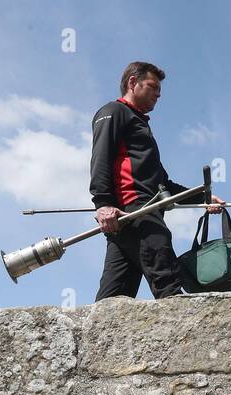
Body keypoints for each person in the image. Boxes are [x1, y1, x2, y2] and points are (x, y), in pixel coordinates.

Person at [90, 61, 224, 300]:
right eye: (152, 86)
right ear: (133, 82)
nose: (158, 94)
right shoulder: (113, 111)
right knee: (168, 283)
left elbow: (162, 185)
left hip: (135, 216)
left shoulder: (140, 127)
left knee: (113, 300)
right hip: (136, 210)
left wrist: (202, 198)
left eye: (159, 90)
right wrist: (103, 204)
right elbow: (101, 157)